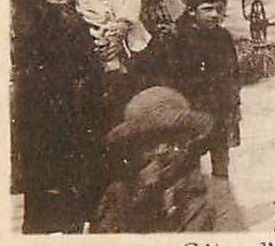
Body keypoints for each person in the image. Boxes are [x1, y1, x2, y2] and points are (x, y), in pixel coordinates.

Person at [12, 0, 107, 233]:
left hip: (79, 104)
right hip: (46, 107)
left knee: (76, 186)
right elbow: (34, 58)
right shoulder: (25, 4)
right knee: (46, 188)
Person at [92, 87, 225, 233]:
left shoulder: (204, 197)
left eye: (172, 140)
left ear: (187, 142)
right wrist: (139, 194)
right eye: (151, 142)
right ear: (134, 148)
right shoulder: (118, 196)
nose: (161, 151)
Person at [167, 0, 241, 180]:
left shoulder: (223, 37)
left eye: (219, 10)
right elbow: (174, 76)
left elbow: (232, 72)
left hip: (219, 108)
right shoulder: (179, 38)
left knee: (221, 157)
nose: (215, 15)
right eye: (207, 9)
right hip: (191, 108)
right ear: (191, 11)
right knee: (188, 160)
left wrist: (232, 103)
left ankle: (221, 196)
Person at [74, 0, 153, 110]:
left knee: (116, 49)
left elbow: (132, 5)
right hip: (91, 21)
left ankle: (115, 72)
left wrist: (124, 22)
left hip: (116, 24)